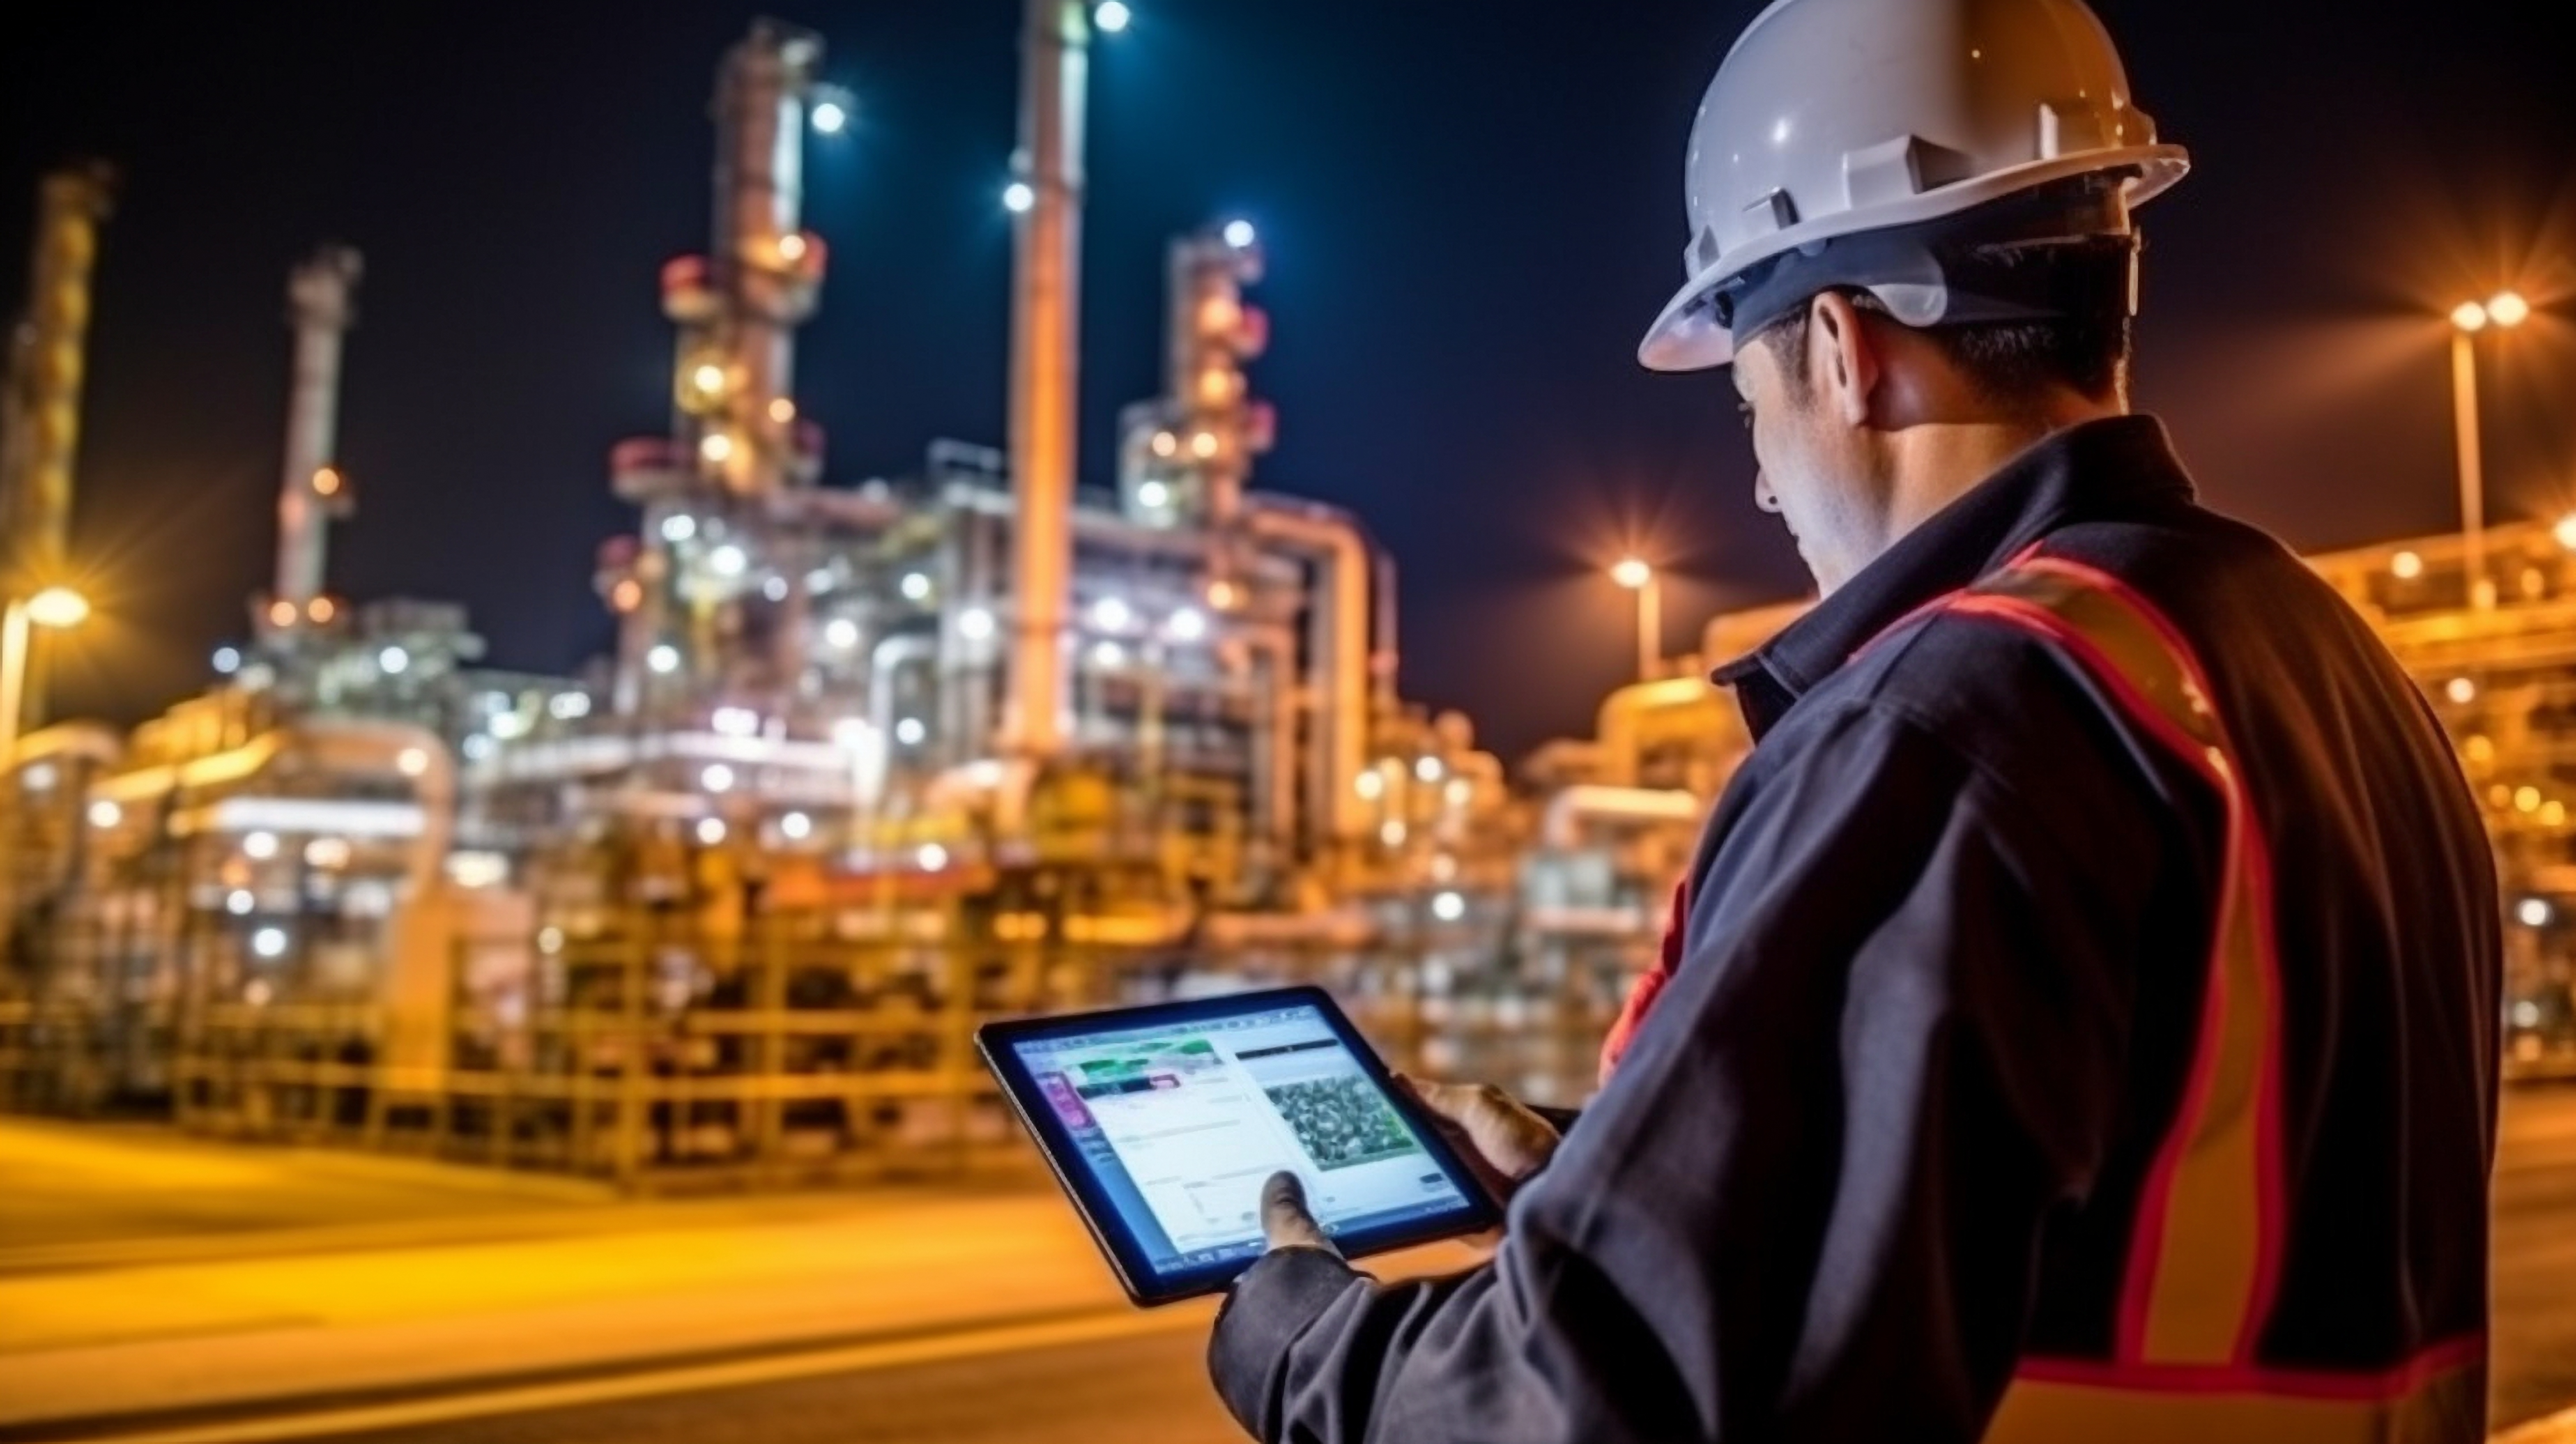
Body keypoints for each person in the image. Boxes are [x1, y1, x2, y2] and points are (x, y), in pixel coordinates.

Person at [1204, 0, 2502, 1440]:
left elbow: (1618, 1411)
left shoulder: (1955, 724)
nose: (1763, 485)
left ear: (1841, 348)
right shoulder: (2311, 658)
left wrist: (1298, 1343)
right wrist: (1615, 1183)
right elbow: (2096, 1189)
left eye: (1748, 406)